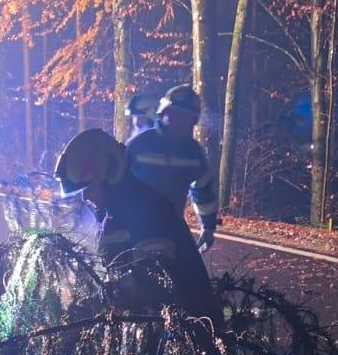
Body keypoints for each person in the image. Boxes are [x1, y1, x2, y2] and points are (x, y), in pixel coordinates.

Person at [55, 128, 221, 321]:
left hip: (186, 326)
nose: (85, 196)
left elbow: (150, 288)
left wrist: (94, 305)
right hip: (163, 324)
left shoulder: (146, 211)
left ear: (109, 173)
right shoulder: (114, 211)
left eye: (87, 187)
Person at [125, 83, 219, 253]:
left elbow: (203, 191)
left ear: (194, 120)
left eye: (186, 116)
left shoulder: (193, 153)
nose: (180, 120)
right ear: (163, 112)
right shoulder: (139, 145)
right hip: (134, 228)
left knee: (191, 268)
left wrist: (208, 227)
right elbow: (116, 181)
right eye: (175, 113)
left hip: (172, 228)